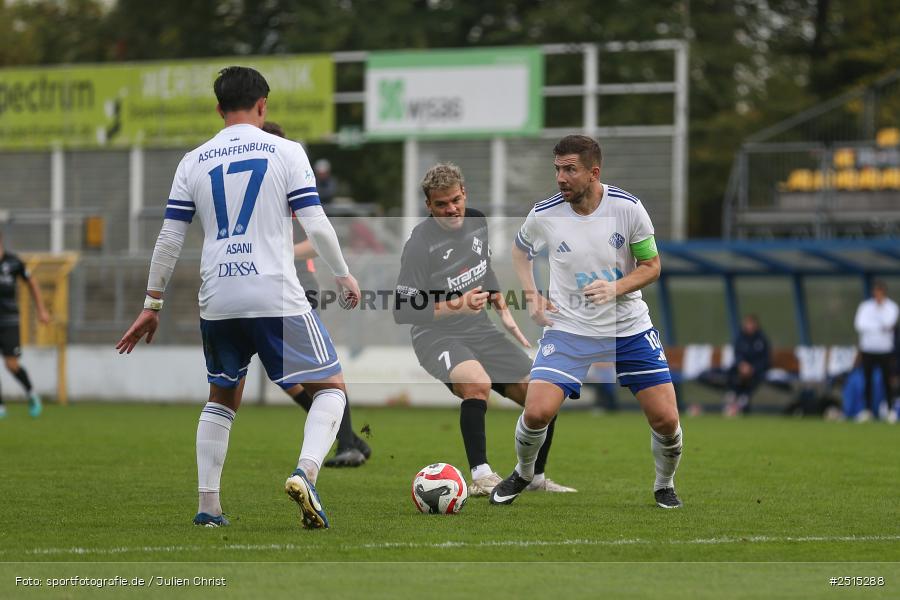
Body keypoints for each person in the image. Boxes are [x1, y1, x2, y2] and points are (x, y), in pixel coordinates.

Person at [116, 67, 361, 530]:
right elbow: (317, 224)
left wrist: (152, 303)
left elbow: (169, 238)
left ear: (218, 108)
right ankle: (306, 473)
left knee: (222, 399)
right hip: (274, 294)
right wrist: (344, 274)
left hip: (219, 297)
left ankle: (209, 507)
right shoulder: (287, 151)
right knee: (332, 390)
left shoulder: (194, 160)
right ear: (263, 105)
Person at [490, 134, 684, 509]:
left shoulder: (628, 209)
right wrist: (532, 295)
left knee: (665, 420)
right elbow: (519, 250)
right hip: (568, 329)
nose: (561, 178)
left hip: (628, 329)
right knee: (537, 410)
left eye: (570, 170)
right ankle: (525, 472)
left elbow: (652, 267)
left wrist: (616, 288)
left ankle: (664, 484)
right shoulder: (544, 213)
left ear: (594, 173)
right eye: (557, 169)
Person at [393, 163, 575, 496]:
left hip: (481, 331)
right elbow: (402, 310)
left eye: (455, 200)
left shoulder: (477, 220)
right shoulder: (419, 244)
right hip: (436, 337)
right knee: (478, 384)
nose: (451, 210)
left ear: (464, 194)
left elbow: (483, 267)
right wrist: (456, 305)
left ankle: (533, 476)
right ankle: (481, 475)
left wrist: (501, 307)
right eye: (441, 204)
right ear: (428, 206)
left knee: (544, 398)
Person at [262, 121, 371, 466]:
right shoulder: (257, 195)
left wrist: (280, 253)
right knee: (284, 375)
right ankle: (348, 436)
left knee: (319, 370)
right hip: (265, 290)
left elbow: (317, 240)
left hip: (299, 286)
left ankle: (348, 446)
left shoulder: (289, 188)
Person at [0, 232, 51, 418]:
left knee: (11, 364)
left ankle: (31, 394)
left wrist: (41, 310)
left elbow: (32, 282)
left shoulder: (14, 262)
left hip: (10, 320)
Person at [853, 280, 898, 422]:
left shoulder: (892, 307)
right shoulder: (865, 307)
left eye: (879, 292)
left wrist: (872, 326)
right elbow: (860, 325)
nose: (877, 295)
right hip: (868, 349)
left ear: (883, 293)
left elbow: (889, 324)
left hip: (885, 350)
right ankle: (867, 410)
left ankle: (890, 411)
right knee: (867, 381)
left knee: (887, 381)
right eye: (875, 292)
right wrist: (878, 327)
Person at [723, 314, 770, 416]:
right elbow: (737, 354)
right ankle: (732, 396)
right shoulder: (740, 338)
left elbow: (765, 359)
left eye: (751, 323)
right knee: (732, 372)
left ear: (756, 325)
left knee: (755, 376)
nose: (749, 326)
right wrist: (742, 364)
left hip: (756, 370)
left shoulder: (762, 340)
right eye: (747, 323)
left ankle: (743, 399)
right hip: (741, 368)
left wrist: (753, 368)